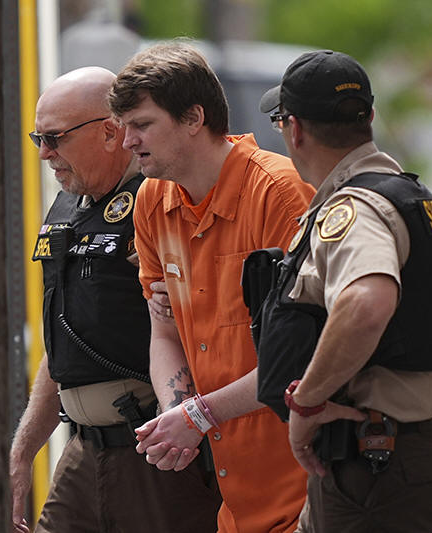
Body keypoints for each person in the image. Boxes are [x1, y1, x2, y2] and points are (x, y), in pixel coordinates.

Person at [256, 50, 432, 532]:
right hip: (400, 454)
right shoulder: (408, 200)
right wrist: (392, 371)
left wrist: (308, 401)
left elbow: (367, 304)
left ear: (294, 129)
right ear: (368, 117)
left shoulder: (356, 210)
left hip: (369, 463)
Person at [108, 42, 315, 533]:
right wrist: (177, 416)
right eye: (124, 126)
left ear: (194, 118)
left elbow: (302, 358)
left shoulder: (280, 193)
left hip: (304, 489)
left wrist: (197, 416)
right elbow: (164, 333)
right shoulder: (151, 201)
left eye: (142, 125)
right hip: (234, 501)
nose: (127, 141)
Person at [9, 66, 221, 533]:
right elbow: (65, 339)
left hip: (154, 447)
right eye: (38, 138)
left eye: (55, 138)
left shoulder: (159, 199)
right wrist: (22, 452)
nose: (44, 153)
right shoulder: (69, 204)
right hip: (83, 449)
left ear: (109, 132)